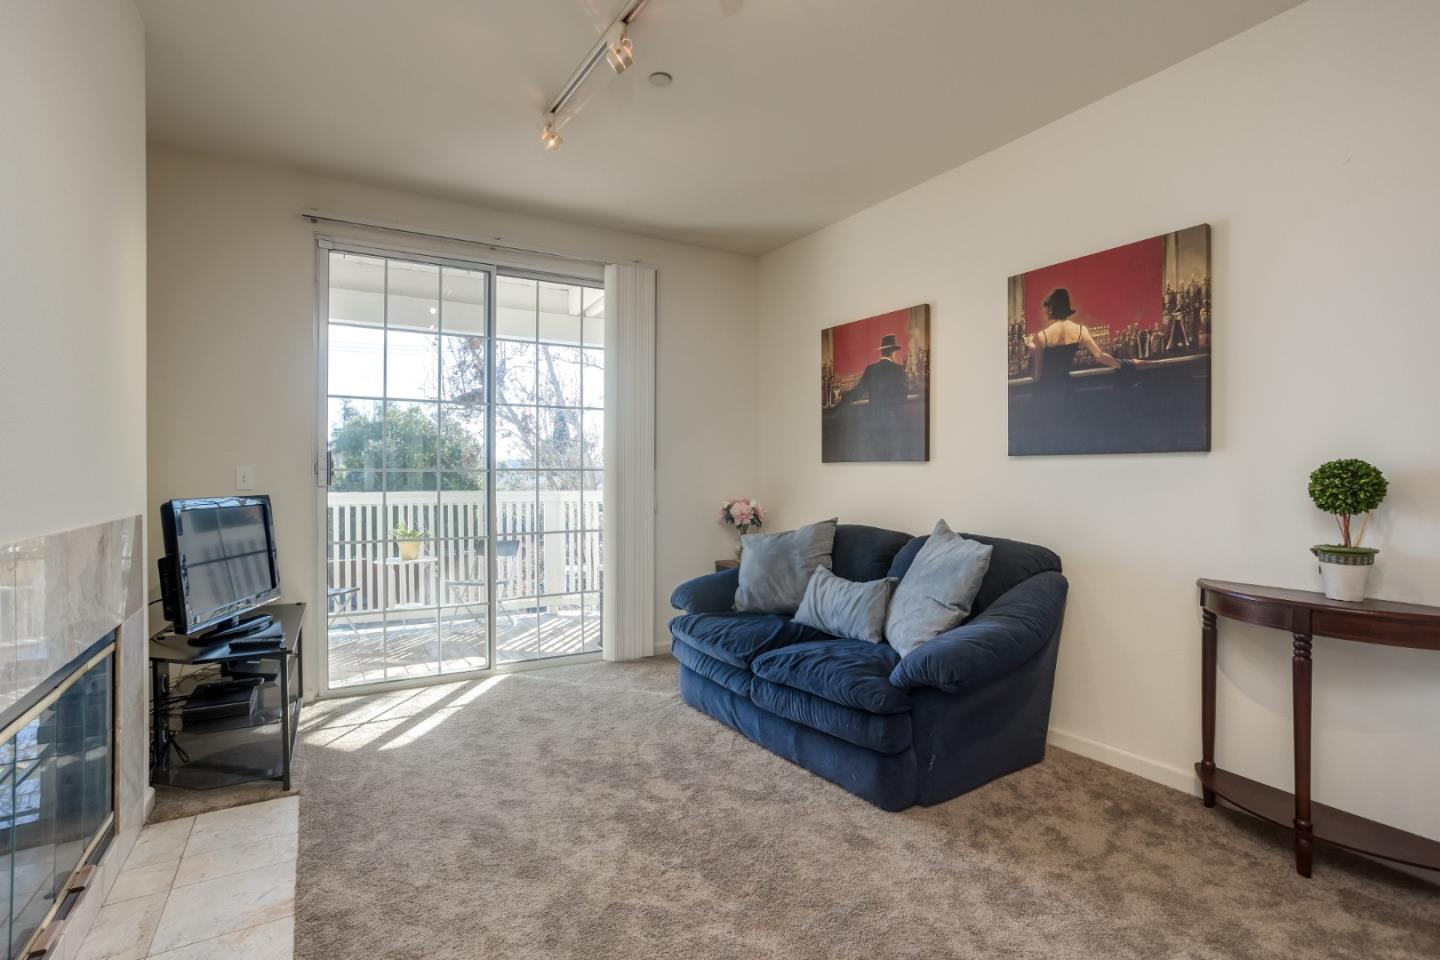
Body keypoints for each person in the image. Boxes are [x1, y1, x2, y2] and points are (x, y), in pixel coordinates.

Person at [840, 334, 910, 459]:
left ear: (882, 351)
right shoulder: (898, 369)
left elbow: (857, 392)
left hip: (873, 423)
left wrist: (842, 397)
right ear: (893, 353)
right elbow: (903, 397)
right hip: (891, 423)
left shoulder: (871, 369)